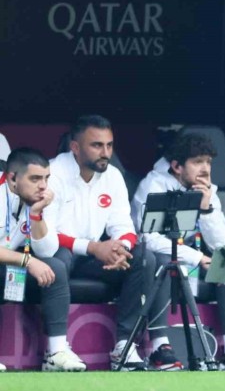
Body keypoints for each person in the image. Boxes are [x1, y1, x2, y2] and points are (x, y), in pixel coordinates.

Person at [48, 115, 177, 371]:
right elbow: (46, 234)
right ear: (75, 147)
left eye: (109, 145)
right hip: (60, 252)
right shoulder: (53, 173)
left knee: (144, 257)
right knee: (58, 258)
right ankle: (55, 351)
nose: (105, 152)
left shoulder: (113, 176)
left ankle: (124, 347)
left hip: (93, 255)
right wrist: (95, 248)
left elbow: (124, 227)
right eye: (97, 145)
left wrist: (121, 250)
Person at [131, 133, 225, 369]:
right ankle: (160, 347)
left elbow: (222, 243)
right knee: (163, 258)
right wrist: (198, 258)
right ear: (177, 166)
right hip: (154, 256)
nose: (205, 169)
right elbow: (148, 239)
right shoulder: (154, 185)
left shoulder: (207, 189)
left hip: (192, 255)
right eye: (198, 162)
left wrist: (206, 208)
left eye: (208, 162)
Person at [0, 148, 86, 371]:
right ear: (12, 178)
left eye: (46, 178)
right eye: (35, 179)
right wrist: (28, 261)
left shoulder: (37, 200)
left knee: (54, 266)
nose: (43, 186)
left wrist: (36, 214)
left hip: (6, 267)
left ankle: (56, 353)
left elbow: (47, 251)